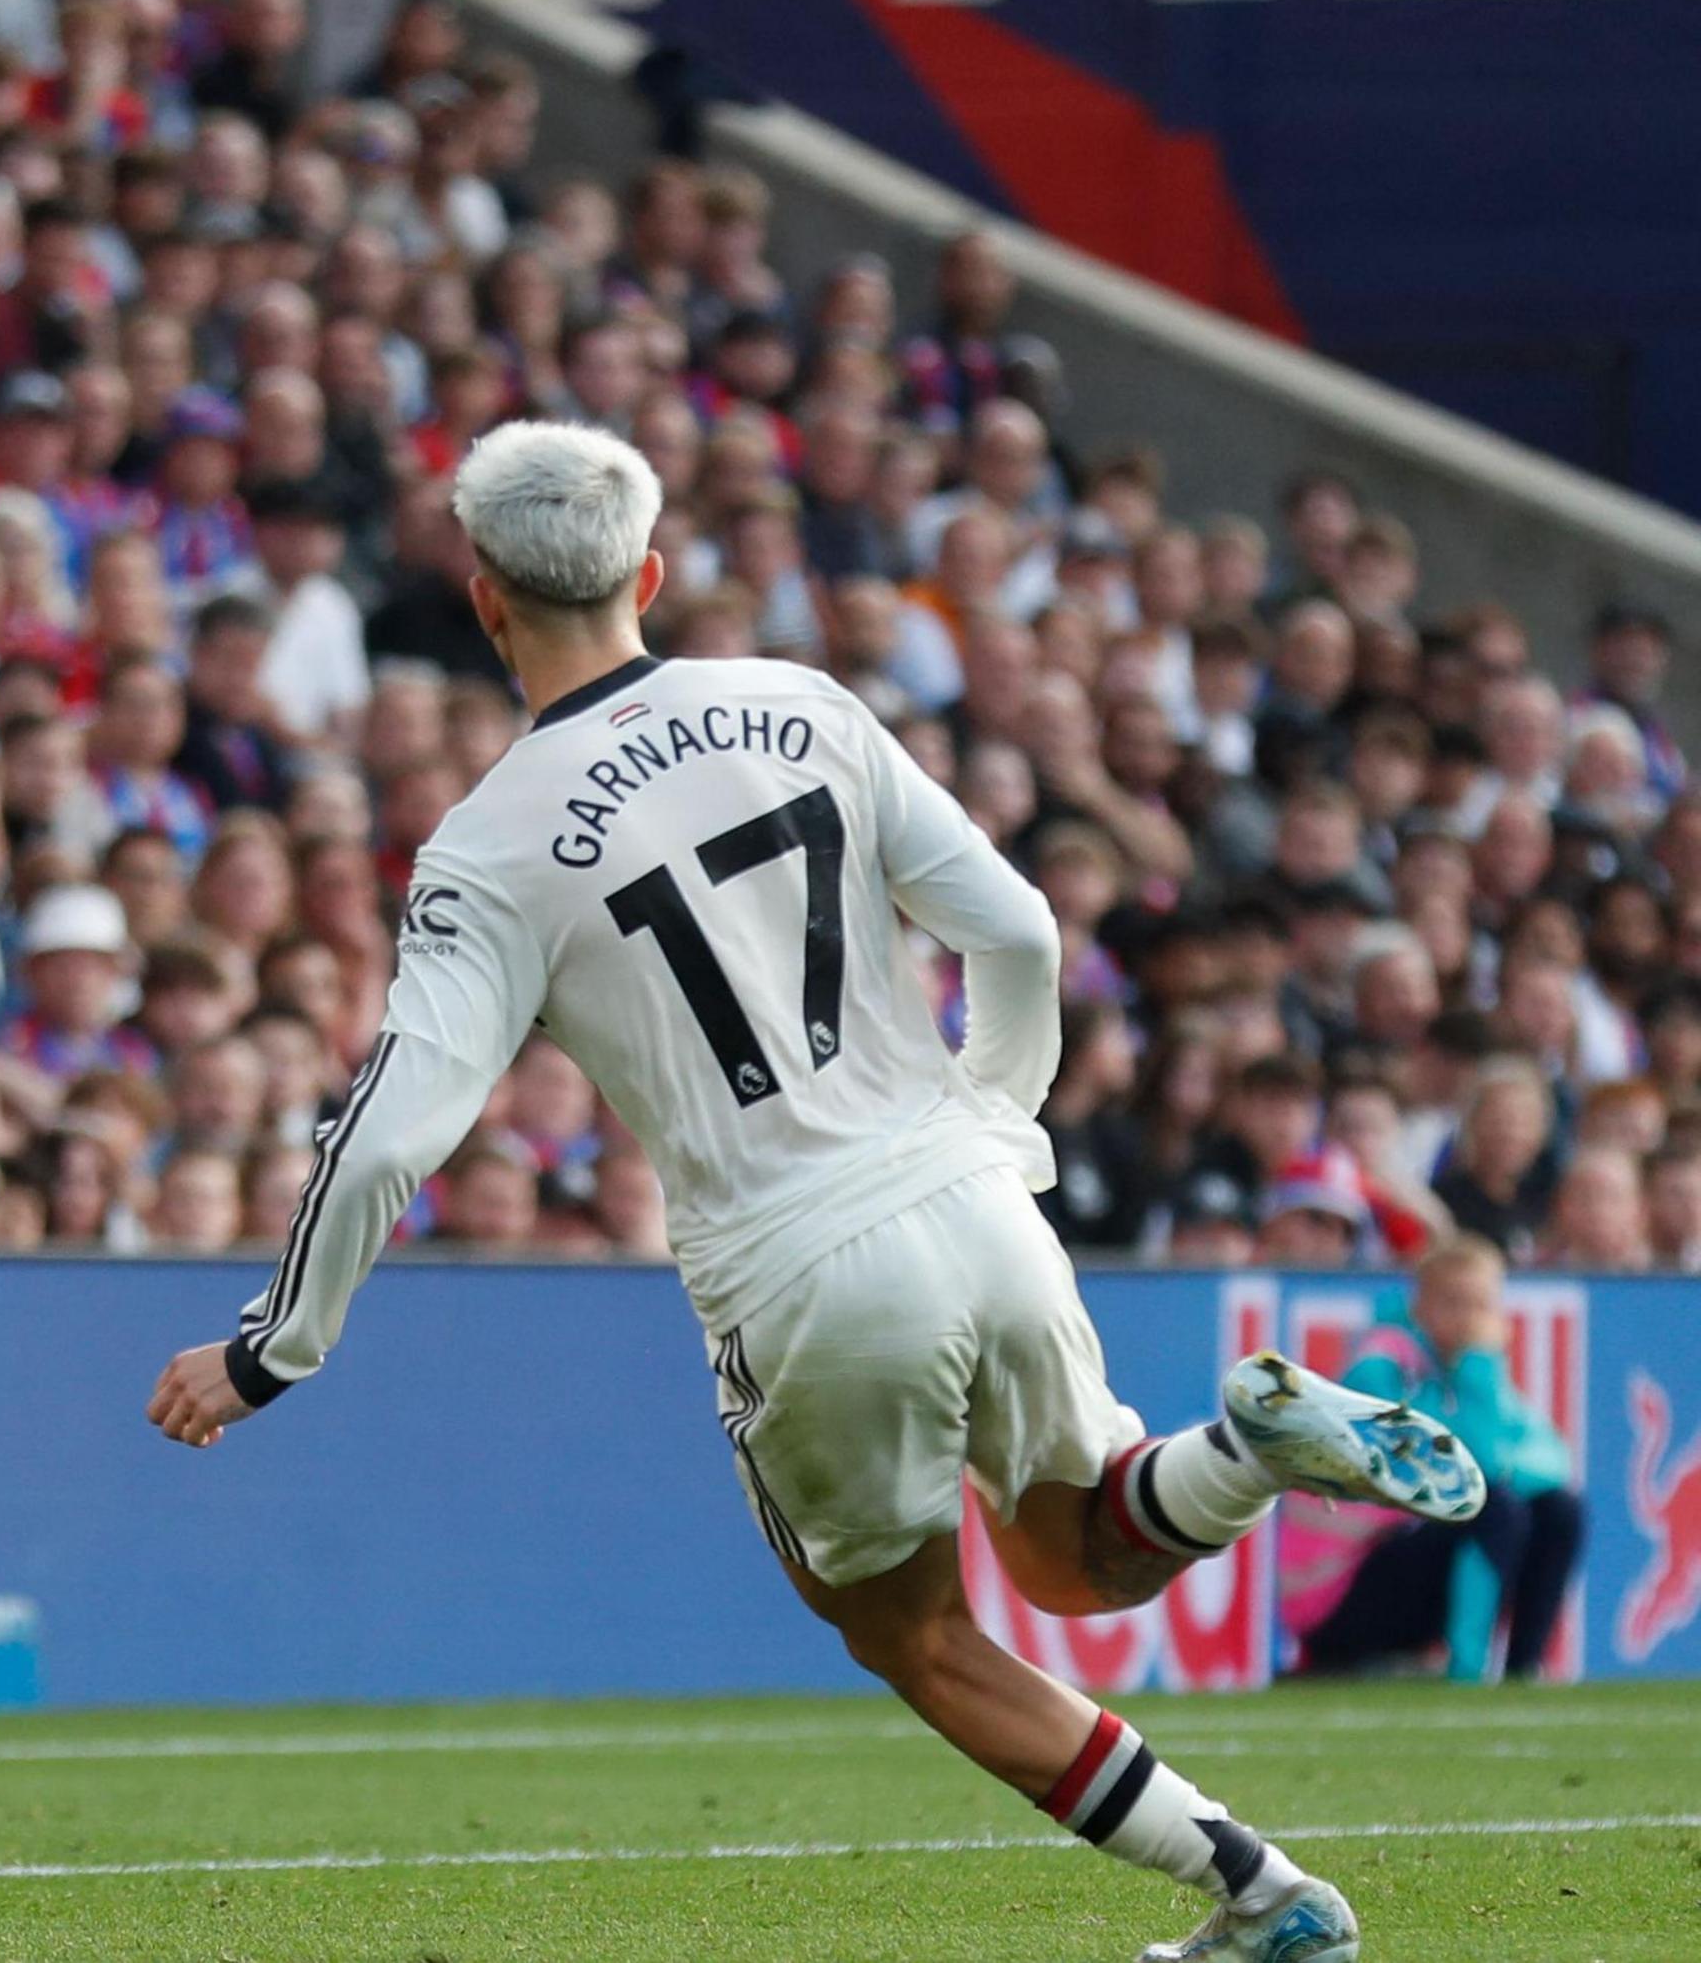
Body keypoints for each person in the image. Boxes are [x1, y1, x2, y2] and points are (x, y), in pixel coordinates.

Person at [141, 422, 1483, 1963]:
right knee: (1071, 1549)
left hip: (799, 1263)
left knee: (911, 1632)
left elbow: (385, 1139)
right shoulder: (801, 705)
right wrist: (994, 1116)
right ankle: (1243, 1452)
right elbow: (1025, 931)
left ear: (485, 599)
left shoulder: (485, 850)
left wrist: (271, 1346)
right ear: (648, 571)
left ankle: (1267, 1898)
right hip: (973, 1193)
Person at [1296, 1241, 1583, 1684]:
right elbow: (1462, 1474)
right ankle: (1467, 1673)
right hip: (1340, 1596)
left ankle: (1525, 1673)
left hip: (1402, 1566)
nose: (1468, 1319)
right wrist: (1479, 1367)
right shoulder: (1382, 1367)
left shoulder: (1462, 1371)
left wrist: (1478, 1376)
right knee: (1495, 1511)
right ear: (1420, 1307)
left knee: (1559, 1509)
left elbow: (1551, 1462)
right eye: (1453, 1302)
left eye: (1481, 1305)